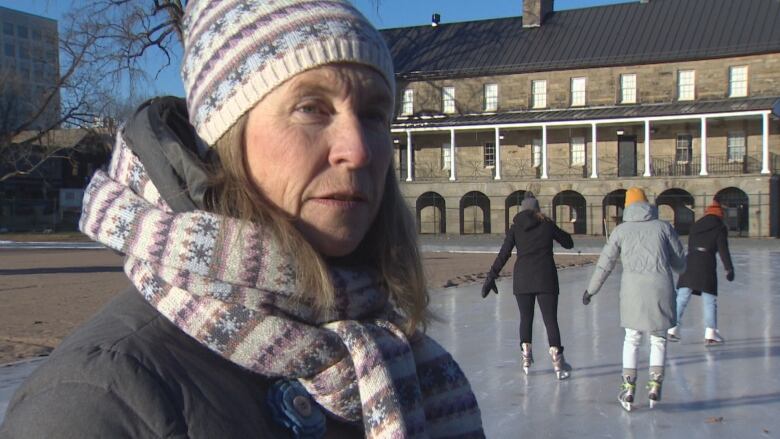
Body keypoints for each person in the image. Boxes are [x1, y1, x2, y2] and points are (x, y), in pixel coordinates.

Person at [0, 1, 485, 437]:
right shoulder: (96, 400)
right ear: (224, 141)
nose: (357, 150)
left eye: (375, 114)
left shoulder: (392, 349)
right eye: (312, 108)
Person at [581, 187, 685, 411]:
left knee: (632, 338)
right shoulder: (664, 228)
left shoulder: (620, 231)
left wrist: (591, 290)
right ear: (648, 205)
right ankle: (655, 384)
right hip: (660, 288)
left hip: (633, 291)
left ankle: (628, 388)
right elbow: (680, 263)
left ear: (628, 207)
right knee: (658, 338)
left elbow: (605, 263)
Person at [481, 193, 574, 380]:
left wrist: (491, 277)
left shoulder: (516, 228)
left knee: (526, 318)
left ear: (523, 209)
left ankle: (525, 356)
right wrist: (553, 227)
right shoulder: (546, 224)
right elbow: (568, 243)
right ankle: (557, 359)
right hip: (546, 277)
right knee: (550, 320)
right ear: (537, 208)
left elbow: (504, 254)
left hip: (523, 278)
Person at [668, 199, 734, 345]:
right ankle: (710, 333)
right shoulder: (719, 227)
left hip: (690, 261)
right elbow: (723, 250)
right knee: (709, 299)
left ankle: (672, 328)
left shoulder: (696, 225)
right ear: (720, 214)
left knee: (682, 296)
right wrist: (729, 268)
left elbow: (691, 244)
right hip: (706, 263)